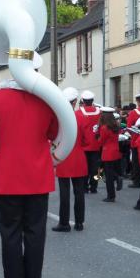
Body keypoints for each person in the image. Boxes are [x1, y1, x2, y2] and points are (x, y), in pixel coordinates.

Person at [0, 73, 58, 278]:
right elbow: (54, 133)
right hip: (37, 177)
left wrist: (5, 151)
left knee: (10, 235)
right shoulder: (47, 97)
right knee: (36, 236)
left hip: (9, 176)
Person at [53, 87, 88, 232]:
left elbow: (53, 138)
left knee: (64, 193)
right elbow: (87, 140)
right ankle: (79, 222)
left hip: (63, 157)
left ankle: (64, 223)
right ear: (75, 102)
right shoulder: (81, 116)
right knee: (79, 192)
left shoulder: (58, 117)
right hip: (79, 158)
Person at [95, 107, 122, 202]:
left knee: (108, 176)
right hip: (115, 151)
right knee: (110, 171)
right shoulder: (115, 125)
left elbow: (101, 142)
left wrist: (96, 136)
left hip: (107, 152)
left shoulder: (104, 128)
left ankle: (111, 196)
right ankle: (117, 177)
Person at [78, 90, 102, 194]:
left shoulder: (78, 112)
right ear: (92, 100)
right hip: (97, 145)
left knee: (84, 167)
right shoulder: (100, 112)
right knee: (96, 168)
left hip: (83, 145)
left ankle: (84, 186)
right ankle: (94, 187)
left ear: (83, 101)